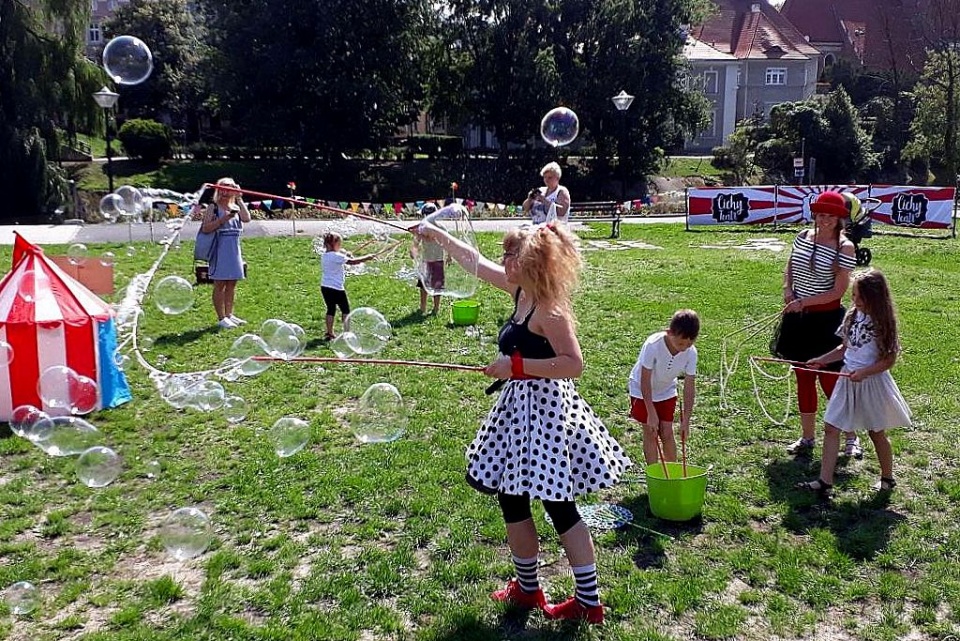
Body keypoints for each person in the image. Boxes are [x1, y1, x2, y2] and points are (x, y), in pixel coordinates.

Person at [415, 215, 631, 625]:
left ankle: (589, 601)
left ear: (528, 261)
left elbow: (573, 364)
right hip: (519, 414)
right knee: (511, 498)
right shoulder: (521, 292)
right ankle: (528, 589)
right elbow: (474, 261)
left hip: (547, 416)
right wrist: (436, 234)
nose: (502, 260)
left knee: (559, 506)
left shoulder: (549, 308)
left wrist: (516, 364)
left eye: (509, 254)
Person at [797, 269, 911, 495]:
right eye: (854, 296)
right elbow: (844, 348)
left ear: (875, 298)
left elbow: (889, 360)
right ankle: (825, 481)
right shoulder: (852, 316)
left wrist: (866, 372)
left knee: (876, 433)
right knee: (831, 427)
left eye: (860, 297)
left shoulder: (883, 322)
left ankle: (887, 478)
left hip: (871, 384)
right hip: (847, 380)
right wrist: (821, 360)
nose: (855, 300)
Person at [774, 190, 861, 457]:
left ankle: (851, 437)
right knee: (803, 377)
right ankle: (807, 437)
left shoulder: (844, 247)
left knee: (830, 381)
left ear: (839, 219)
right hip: (798, 320)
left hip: (825, 321)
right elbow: (790, 266)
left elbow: (838, 292)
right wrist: (789, 291)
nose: (824, 220)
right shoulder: (802, 237)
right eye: (820, 214)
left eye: (830, 216)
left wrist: (805, 303)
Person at [628, 310, 699, 465]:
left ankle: (672, 475)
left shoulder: (691, 353)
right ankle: (654, 475)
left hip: (666, 390)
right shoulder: (653, 345)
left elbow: (689, 387)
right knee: (650, 431)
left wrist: (686, 420)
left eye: (689, 344)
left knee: (667, 431)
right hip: (641, 390)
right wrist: (651, 412)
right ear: (669, 333)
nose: (684, 348)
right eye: (681, 343)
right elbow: (644, 380)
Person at [201, 177, 251, 329]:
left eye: (229, 188)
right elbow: (206, 228)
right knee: (220, 284)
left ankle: (230, 315)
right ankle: (221, 318)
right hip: (219, 249)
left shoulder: (235, 205)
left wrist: (240, 198)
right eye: (222, 188)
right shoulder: (213, 207)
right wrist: (224, 218)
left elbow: (246, 218)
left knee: (232, 284)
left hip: (234, 249)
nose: (225, 191)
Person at [320, 232, 386, 340]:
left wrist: (345, 255)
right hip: (337, 288)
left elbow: (342, 258)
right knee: (345, 310)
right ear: (334, 244)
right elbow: (352, 262)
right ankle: (347, 333)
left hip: (325, 287)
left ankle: (329, 333)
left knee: (330, 309)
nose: (340, 246)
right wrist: (367, 257)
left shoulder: (325, 256)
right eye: (339, 244)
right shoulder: (337, 256)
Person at [410, 203, 443, 315]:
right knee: (423, 285)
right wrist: (413, 250)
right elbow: (416, 242)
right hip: (426, 261)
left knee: (437, 286)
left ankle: (436, 308)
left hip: (438, 260)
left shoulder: (440, 228)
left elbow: (431, 238)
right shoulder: (422, 229)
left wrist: (449, 257)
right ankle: (423, 307)